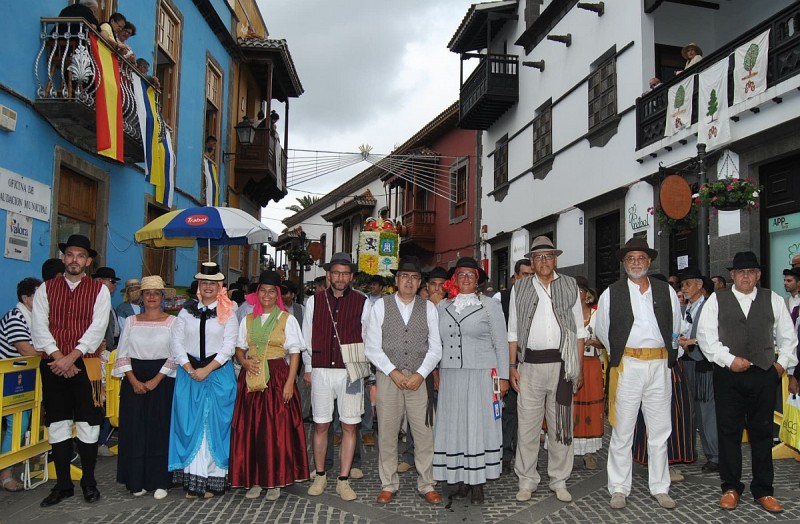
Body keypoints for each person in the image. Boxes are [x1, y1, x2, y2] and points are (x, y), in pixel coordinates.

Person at [696, 251, 797, 514]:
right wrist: (729, 360)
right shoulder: (717, 300)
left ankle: (764, 490)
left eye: (751, 272)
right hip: (728, 375)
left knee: (762, 434)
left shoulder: (772, 299)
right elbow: (706, 338)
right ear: (732, 275)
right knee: (728, 432)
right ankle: (730, 487)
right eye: (741, 272)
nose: (745, 276)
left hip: (764, 374)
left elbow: (788, 337)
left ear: (759, 275)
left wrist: (780, 365)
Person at [595, 237, 681, 510]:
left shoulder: (665, 290)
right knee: (622, 430)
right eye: (630, 258)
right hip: (628, 366)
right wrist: (620, 353)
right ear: (624, 263)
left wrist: (670, 354)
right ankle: (619, 488)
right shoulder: (612, 292)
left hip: (659, 365)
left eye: (640, 258)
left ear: (649, 261)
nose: (636, 263)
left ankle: (660, 487)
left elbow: (676, 327)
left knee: (659, 430)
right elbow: (602, 330)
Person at [32, 234, 111, 507]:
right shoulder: (46, 289)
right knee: (58, 424)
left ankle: (88, 482)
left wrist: (72, 357)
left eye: (80, 255)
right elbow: (39, 326)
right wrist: (58, 357)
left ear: (88, 261)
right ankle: (63, 486)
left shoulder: (100, 291)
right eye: (70, 255)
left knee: (89, 423)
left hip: (86, 362)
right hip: (53, 362)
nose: (74, 260)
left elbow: (98, 327)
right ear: (63, 258)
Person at [508, 237, 584, 504]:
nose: (543, 261)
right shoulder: (520, 288)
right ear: (531, 261)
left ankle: (559, 479)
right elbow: (513, 331)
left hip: (563, 366)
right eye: (538, 257)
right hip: (529, 367)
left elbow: (579, 330)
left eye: (548, 256)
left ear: (555, 259)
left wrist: (579, 367)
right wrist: (512, 366)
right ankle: (527, 479)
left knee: (561, 426)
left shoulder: (570, 285)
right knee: (527, 428)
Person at [365, 256, 443, 505]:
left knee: (423, 433)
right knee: (387, 432)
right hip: (389, 376)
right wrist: (393, 372)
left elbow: (435, 348)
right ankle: (388, 483)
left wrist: (421, 373)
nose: (409, 281)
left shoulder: (428, 307)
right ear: (396, 280)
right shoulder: (380, 306)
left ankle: (427, 483)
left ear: (420, 282)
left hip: (420, 376)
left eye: (414, 277)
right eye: (404, 277)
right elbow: (372, 347)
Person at [432, 257, 508, 505]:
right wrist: (436, 373)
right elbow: (437, 343)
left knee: (479, 425)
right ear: (454, 279)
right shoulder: (443, 307)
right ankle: (461, 479)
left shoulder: (489, 306)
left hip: (482, 374)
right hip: (451, 375)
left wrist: (503, 377)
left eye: (470, 275)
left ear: (478, 280)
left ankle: (478, 484)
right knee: (456, 426)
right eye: (461, 274)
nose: (465, 278)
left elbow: (501, 343)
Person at [230, 271, 308, 501]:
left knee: (276, 430)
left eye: (271, 291)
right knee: (252, 429)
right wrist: (244, 362)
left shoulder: (287, 319)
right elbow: (239, 348)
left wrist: (289, 383)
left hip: (276, 377)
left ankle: (275, 480)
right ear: (257, 293)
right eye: (262, 290)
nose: (267, 295)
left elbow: (294, 353)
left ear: (277, 295)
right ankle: (255, 479)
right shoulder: (248, 320)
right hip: (252, 378)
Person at [302, 253, 369, 501]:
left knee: (350, 425)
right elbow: (306, 336)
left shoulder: (363, 302)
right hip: (321, 369)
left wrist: (365, 372)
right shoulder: (314, 302)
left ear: (351, 276)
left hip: (350, 371)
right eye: (336, 273)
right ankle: (320, 474)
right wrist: (309, 367)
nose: (340, 278)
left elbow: (368, 336)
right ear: (329, 275)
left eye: (345, 273)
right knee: (321, 424)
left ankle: (343, 479)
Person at [168, 262, 238, 499]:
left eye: (213, 283)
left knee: (215, 427)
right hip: (190, 375)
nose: (208, 287)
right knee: (191, 424)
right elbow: (176, 342)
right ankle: (194, 482)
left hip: (217, 375)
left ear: (220, 287)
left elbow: (229, 346)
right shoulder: (186, 312)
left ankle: (213, 480)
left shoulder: (229, 312)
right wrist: (189, 369)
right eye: (204, 282)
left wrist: (207, 369)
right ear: (199, 285)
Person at [112, 276, 177, 500]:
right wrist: (132, 380)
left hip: (163, 379)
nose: (151, 297)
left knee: (160, 430)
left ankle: (160, 480)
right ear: (141, 297)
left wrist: (155, 380)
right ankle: (135, 480)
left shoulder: (172, 322)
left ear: (162, 298)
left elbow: (176, 355)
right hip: (133, 379)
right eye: (147, 293)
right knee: (134, 430)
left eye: (156, 293)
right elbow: (122, 352)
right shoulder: (130, 321)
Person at [0, 277, 42, 492]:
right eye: (38, 296)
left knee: (21, 424)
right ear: (25, 298)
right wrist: (53, 353)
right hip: (6, 381)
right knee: (17, 425)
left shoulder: (35, 318)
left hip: (20, 381)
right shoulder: (16, 317)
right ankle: (6, 475)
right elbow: (26, 350)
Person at [676, 267, 718, 474]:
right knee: (689, 410)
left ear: (700, 286)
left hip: (704, 365)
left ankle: (715, 456)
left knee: (706, 411)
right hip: (687, 363)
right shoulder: (686, 308)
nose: (684, 289)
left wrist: (694, 341)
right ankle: (689, 451)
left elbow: (718, 334)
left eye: (688, 284)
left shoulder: (710, 306)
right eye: (682, 285)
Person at [494, 259, 533, 474]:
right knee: (507, 412)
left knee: (528, 413)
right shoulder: (502, 299)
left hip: (531, 362)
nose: (527, 278)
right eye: (524, 274)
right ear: (515, 277)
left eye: (530, 274)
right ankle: (504, 454)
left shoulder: (539, 296)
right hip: (508, 364)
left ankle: (524, 455)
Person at [572, 277, 604, 471]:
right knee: (571, 407)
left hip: (591, 364)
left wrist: (595, 342)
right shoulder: (567, 314)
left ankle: (588, 453)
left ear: (587, 294)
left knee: (590, 407)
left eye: (579, 291)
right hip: (572, 362)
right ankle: (568, 450)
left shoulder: (597, 315)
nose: (576, 295)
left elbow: (606, 340)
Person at [93, 266, 121, 458]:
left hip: (108, 355)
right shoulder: (94, 302)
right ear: (101, 282)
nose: (114, 286)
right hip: (96, 359)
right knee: (99, 399)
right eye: (112, 282)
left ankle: (101, 439)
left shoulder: (108, 304)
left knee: (107, 398)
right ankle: (96, 441)